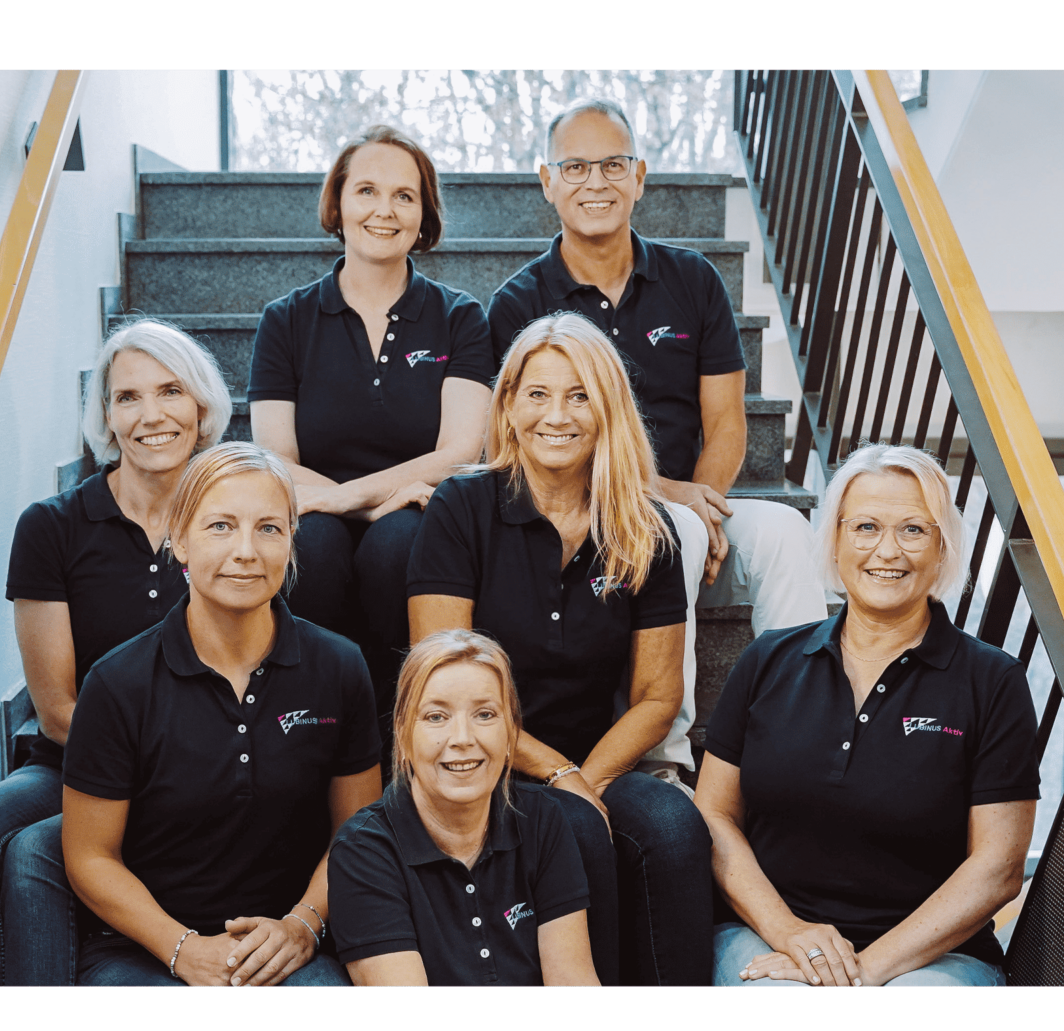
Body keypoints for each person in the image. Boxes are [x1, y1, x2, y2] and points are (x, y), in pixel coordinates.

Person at [488, 100, 829, 786]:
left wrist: (704, 499)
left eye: (614, 164)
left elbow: (728, 422)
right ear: (546, 182)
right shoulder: (519, 303)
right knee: (672, 531)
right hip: (582, 517)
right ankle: (664, 759)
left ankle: (803, 748)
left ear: (640, 176)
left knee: (787, 533)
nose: (597, 182)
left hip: (688, 504)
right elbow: (529, 446)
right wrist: (668, 500)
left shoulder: (693, 279)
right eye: (575, 166)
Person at [408, 311, 711, 986]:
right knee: (569, 831)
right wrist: (560, 778)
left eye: (579, 396)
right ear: (508, 407)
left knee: (673, 828)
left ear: (607, 409)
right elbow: (438, 683)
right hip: (476, 754)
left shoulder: (645, 525)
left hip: (597, 758)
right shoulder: (463, 507)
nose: (558, 415)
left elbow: (659, 697)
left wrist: (590, 777)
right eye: (538, 395)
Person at [0, 319, 231, 986]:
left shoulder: (230, 521)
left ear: (202, 406)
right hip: (71, 764)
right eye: (127, 398)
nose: (151, 415)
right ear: (106, 417)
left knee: (41, 849)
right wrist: (135, 771)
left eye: (170, 391)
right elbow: (57, 705)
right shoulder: (53, 526)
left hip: (199, 762)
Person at [696, 443, 1037, 987]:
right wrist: (790, 934)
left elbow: (997, 869)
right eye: (865, 527)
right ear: (835, 541)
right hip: (768, 936)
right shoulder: (767, 661)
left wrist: (861, 971)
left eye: (914, 530)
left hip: (933, 957)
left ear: (943, 548)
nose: (888, 550)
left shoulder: (992, 681)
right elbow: (713, 817)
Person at [61, 442, 384, 986]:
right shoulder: (117, 683)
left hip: (288, 944)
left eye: (268, 528)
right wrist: (181, 948)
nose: (246, 551)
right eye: (220, 527)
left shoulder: (339, 666)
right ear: (179, 539)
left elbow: (354, 833)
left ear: (290, 541)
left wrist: (302, 925)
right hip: (147, 949)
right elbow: (90, 857)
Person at [250, 125, 494, 737]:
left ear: (423, 213)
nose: (384, 210)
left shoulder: (460, 316)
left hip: (421, 511)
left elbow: (462, 449)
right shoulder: (285, 320)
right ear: (338, 204)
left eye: (404, 196)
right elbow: (275, 458)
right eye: (366, 190)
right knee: (315, 548)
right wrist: (354, 505)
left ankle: (407, 738)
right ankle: (315, 735)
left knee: (400, 547)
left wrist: (340, 497)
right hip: (321, 510)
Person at [328, 629, 601, 986]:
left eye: (485, 714)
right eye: (436, 717)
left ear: (511, 736)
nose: (462, 739)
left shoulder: (542, 819)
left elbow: (572, 978)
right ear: (403, 736)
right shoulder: (363, 851)